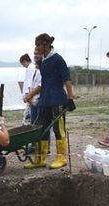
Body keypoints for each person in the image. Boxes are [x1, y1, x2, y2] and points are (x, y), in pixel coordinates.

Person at [25, 33, 76, 170]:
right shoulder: (43, 61)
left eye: (38, 45)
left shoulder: (58, 59)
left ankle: (61, 157)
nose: (36, 48)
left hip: (57, 100)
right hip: (44, 100)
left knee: (58, 129)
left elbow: (67, 80)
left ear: (45, 45)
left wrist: (70, 98)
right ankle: (40, 159)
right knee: (41, 129)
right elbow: (44, 83)